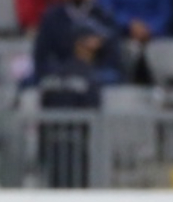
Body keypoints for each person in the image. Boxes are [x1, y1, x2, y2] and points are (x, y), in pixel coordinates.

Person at [29, 23, 119, 188]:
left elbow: (42, 114)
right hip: (79, 153)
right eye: (94, 39)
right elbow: (94, 116)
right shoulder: (89, 77)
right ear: (80, 43)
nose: (99, 44)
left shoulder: (52, 76)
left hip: (52, 150)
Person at [33, 0, 123, 81]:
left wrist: (99, 46)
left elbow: (114, 55)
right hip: (62, 71)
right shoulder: (52, 17)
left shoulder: (105, 16)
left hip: (97, 72)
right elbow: (42, 54)